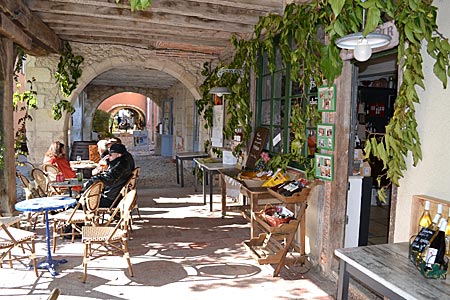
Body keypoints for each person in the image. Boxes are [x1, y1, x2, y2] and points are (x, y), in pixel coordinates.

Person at [83, 143, 132, 208]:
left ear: (119, 155)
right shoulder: (122, 162)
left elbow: (108, 179)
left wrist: (89, 182)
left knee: (79, 202)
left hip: (110, 199)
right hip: (116, 197)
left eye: (110, 154)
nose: (108, 156)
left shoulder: (120, 166)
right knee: (82, 199)